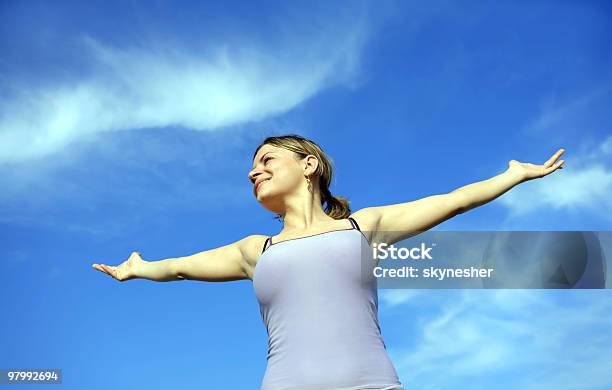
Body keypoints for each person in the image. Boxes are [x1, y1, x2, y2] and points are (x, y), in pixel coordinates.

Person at [92, 134, 565, 389]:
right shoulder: (256, 251)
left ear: (308, 165)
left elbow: (455, 200)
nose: (254, 171)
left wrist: (514, 176)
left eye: (266, 159)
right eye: (253, 167)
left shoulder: (364, 228)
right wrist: (139, 267)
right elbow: (177, 267)